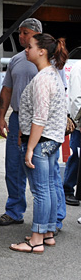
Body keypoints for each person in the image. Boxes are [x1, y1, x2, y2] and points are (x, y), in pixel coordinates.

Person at [0, 18, 66, 229]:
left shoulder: (50, 65)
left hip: (42, 125)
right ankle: (15, 211)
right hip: (18, 119)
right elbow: (6, 89)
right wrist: (1, 118)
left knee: (47, 176)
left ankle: (54, 219)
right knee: (14, 167)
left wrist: (33, 142)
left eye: (25, 33)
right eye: (19, 33)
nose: (20, 37)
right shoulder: (16, 59)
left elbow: (54, 101)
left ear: (37, 37)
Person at [9, 33, 68, 253]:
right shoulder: (52, 74)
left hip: (42, 141)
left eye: (30, 46)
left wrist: (30, 147)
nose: (26, 49)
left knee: (41, 190)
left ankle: (36, 240)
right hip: (51, 139)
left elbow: (40, 117)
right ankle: (48, 232)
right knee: (50, 186)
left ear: (42, 51)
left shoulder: (43, 78)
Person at [66, 61, 81, 206]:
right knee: (77, 155)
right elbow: (77, 99)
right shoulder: (79, 68)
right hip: (79, 123)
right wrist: (78, 121)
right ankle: (67, 189)